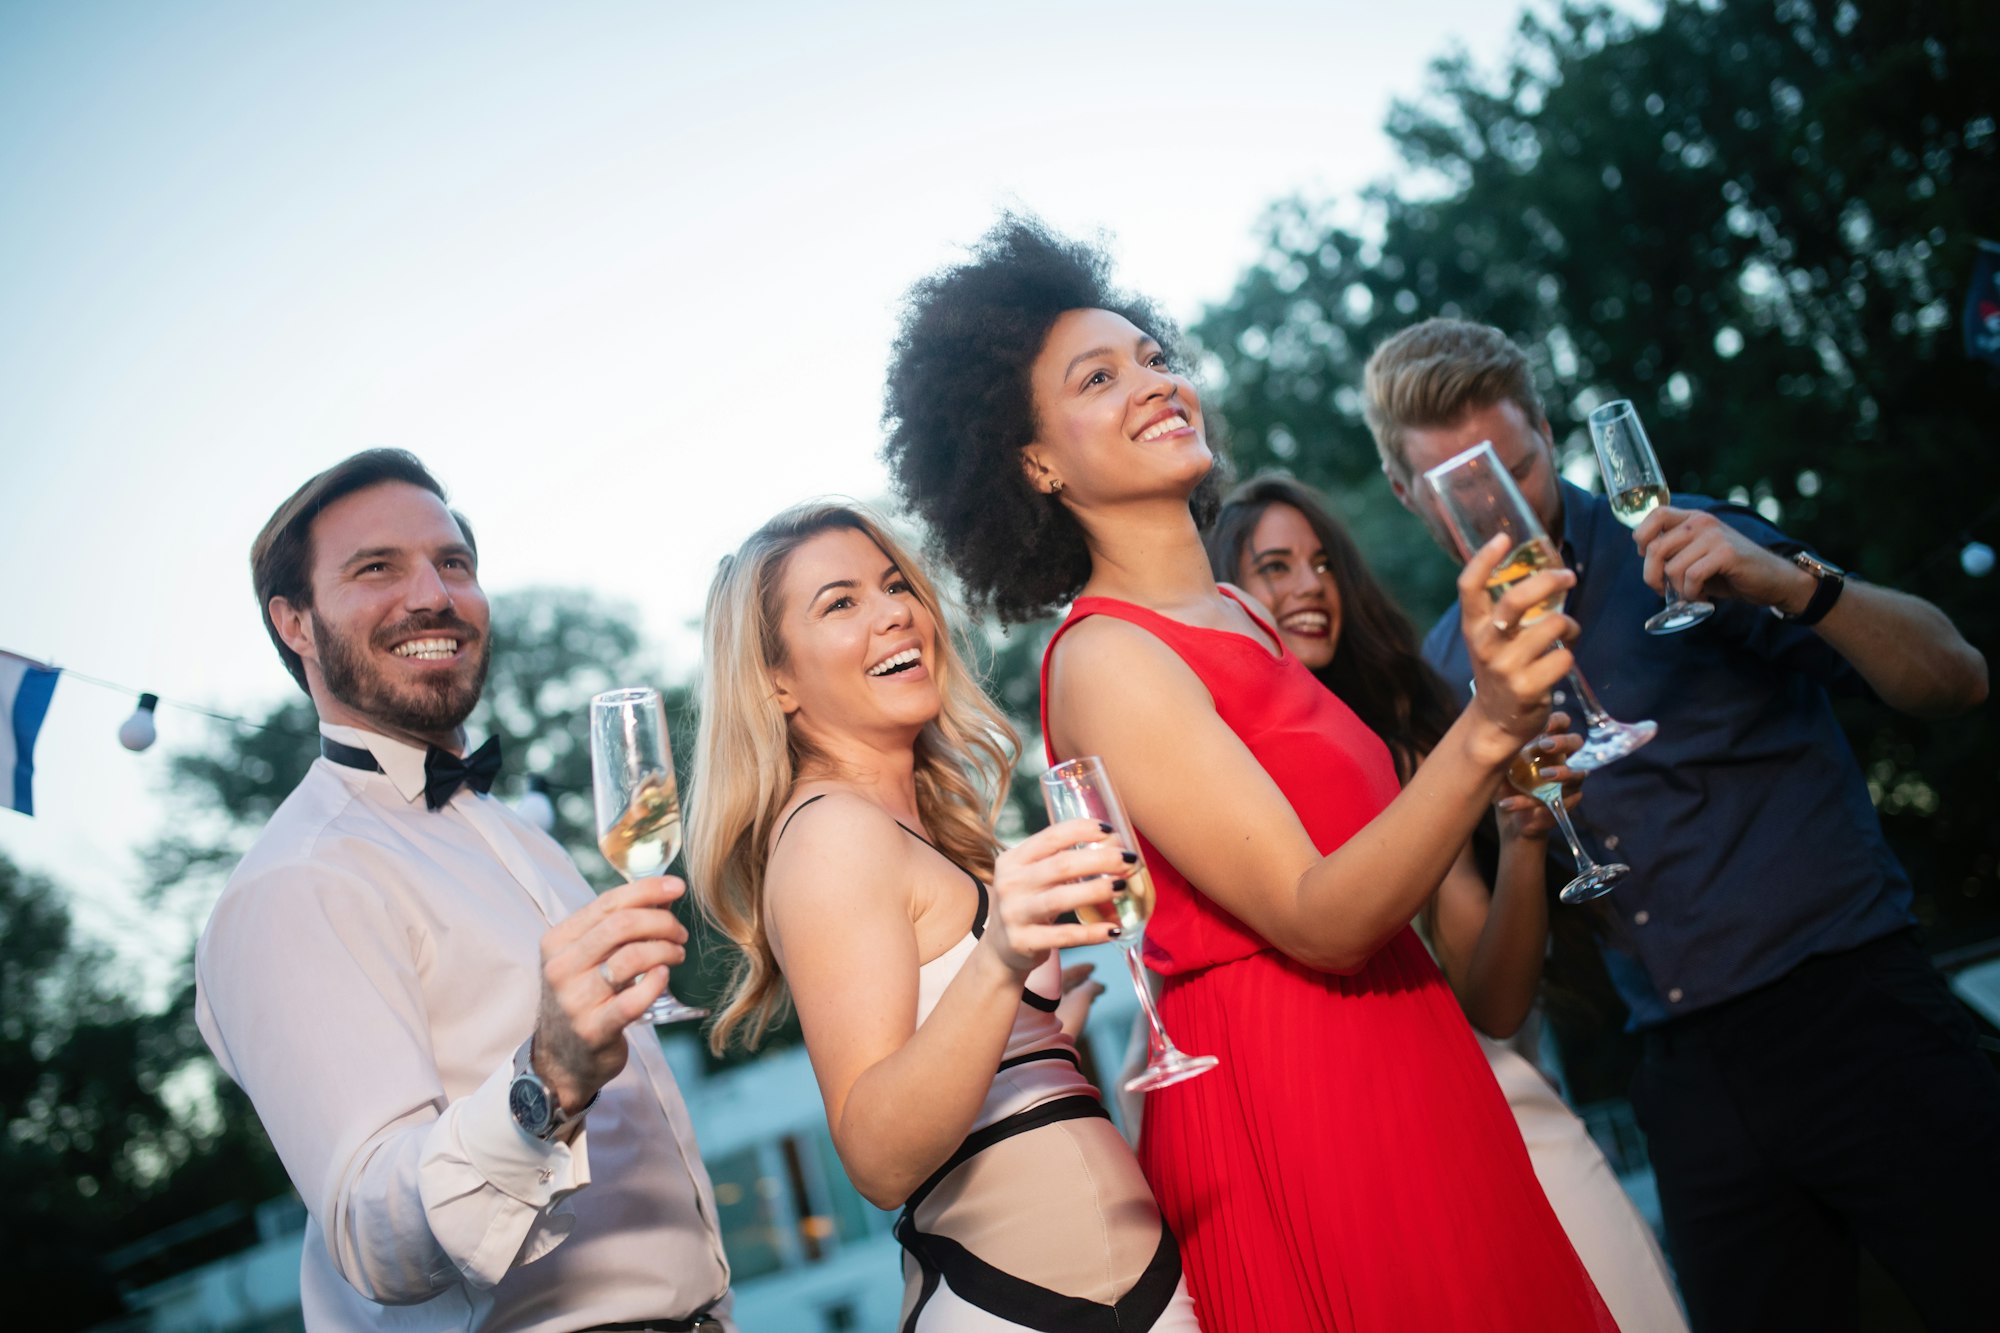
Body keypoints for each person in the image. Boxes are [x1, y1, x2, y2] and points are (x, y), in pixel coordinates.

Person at [880, 215, 1618, 1332]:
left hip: (1416, 1053)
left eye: (1155, 357)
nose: (1153, 382)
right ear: (1033, 461)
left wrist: (1497, 775)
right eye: (1099, 376)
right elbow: (1316, 916)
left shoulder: (1236, 612)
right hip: (1300, 1092)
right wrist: (1483, 729)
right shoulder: (1105, 655)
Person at [1364, 317, 2000, 1333]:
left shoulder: (1690, 541)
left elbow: (1954, 677)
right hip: (1684, 1080)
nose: (1495, 506)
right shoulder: (1451, 674)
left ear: (1542, 430)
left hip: (1858, 1012)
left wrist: (1796, 585)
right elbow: (1493, 970)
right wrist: (1526, 825)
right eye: (1456, 490)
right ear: (1404, 494)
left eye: (1513, 468)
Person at [196, 450, 733, 1332]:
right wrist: (548, 1078)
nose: (433, 595)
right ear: (294, 623)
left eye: (454, 563)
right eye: (377, 568)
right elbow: (374, 1239)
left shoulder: (522, 836)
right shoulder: (297, 881)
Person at [684, 501, 1201, 1331]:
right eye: (840, 602)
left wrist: (1047, 1031)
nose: (894, 612)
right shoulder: (829, 835)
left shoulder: (924, 829)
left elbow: (948, 1042)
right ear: (776, 678)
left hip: (1141, 1281)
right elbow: (877, 1156)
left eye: (895, 586)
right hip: (1014, 1305)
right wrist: (1001, 960)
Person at [1208, 474, 1690, 1333]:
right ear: (1222, 594)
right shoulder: (1209, 781)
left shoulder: (1405, 742)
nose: (1309, 586)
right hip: (1344, 1149)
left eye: (1321, 564)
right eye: (1273, 566)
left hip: (1497, 1104)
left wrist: (1524, 835)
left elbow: (1496, 1003)